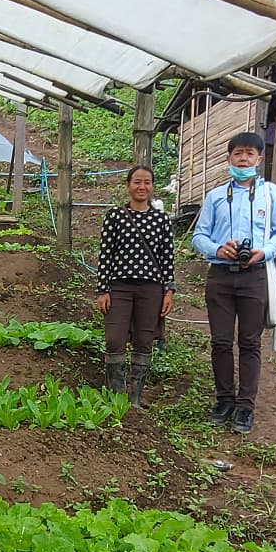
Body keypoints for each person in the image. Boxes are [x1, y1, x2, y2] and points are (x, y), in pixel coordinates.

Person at [192, 131, 276, 434]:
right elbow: (199, 235)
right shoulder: (215, 196)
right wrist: (216, 249)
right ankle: (224, 400)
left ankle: (245, 406)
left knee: (250, 343)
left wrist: (265, 251)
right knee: (221, 341)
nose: (244, 159)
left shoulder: (271, 194)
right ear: (229, 158)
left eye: (250, 154)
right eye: (238, 154)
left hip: (255, 275)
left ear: (259, 159)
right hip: (221, 276)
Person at [94, 165, 175, 406]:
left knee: (144, 339)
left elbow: (167, 257)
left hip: (151, 289)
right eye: (137, 182)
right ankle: (117, 396)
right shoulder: (115, 216)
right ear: (128, 185)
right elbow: (105, 254)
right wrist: (102, 289)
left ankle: (135, 398)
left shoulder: (161, 220)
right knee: (114, 339)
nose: (142, 187)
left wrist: (169, 290)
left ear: (152, 187)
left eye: (147, 182)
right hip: (119, 287)